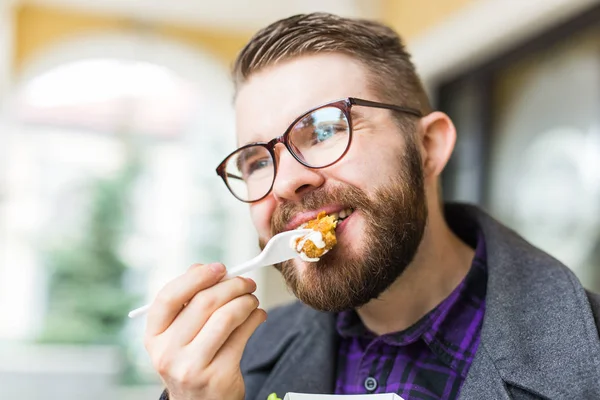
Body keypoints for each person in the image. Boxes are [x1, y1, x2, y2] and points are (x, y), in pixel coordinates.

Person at [144, 13, 600, 400]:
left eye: (324, 130)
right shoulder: (236, 365)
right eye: (257, 160)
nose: (284, 183)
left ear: (428, 147)